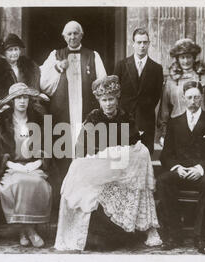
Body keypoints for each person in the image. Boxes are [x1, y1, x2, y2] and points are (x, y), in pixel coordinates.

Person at [55, 76, 161, 251]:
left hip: (121, 173)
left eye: (111, 99)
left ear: (117, 98)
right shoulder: (93, 118)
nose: (108, 104)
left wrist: (118, 154)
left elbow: (135, 147)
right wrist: (102, 157)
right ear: (99, 100)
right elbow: (81, 149)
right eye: (104, 100)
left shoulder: (125, 116)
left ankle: (125, 231)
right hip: (98, 172)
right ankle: (94, 234)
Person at [157, 81, 205, 254]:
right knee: (163, 181)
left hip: (204, 172)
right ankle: (175, 234)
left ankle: (200, 236)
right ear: (183, 99)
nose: (193, 101)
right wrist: (177, 167)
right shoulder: (175, 122)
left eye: (196, 97)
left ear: (202, 98)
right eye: (189, 97)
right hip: (182, 171)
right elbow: (165, 155)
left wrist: (200, 168)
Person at [40, 21, 107, 185]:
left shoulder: (93, 55)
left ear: (81, 35)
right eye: (69, 34)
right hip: (62, 117)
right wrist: (57, 68)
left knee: (87, 158)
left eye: (76, 33)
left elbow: (103, 85)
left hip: (86, 117)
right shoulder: (55, 55)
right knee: (62, 158)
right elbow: (44, 85)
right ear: (64, 36)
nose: (72, 37)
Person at [0, 83, 52, 248]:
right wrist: (13, 166)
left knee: (37, 183)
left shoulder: (39, 119)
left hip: (34, 166)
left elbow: (48, 148)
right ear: (12, 101)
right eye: (18, 98)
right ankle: (30, 231)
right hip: (11, 168)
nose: (22, 101)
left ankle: (24, 230)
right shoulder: (1, 121)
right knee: (18, 183)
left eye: (25, 97)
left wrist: (37, 163)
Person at [114, 28, 163, 153]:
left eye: (145, 42)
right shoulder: (121, 65)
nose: (142, 46)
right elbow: (115, 91)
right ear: (133, 44)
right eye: (139, 42)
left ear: (149, 44)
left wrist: (145, 108)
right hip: (124, 117)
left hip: (146, 118)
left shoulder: (156, 68)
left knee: (144, 155)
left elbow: (157, 94)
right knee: (122, 155)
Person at [157, 38, 205, 147]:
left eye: (188, 57)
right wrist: (164, 133)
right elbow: (164, 109)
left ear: (194, 58)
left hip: (200, 127)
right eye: (182, 57)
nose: (186, 61)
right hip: (177, 128)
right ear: (177, 59)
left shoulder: (203, 78)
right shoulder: (171, 81)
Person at [0, 33, 41, 116]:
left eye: (16, 49)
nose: (14, 53)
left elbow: (34, 91)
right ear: (4, 53)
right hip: (4, 110)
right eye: (10, 50)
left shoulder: (30, 68)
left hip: (25, 108)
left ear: (20, 50)